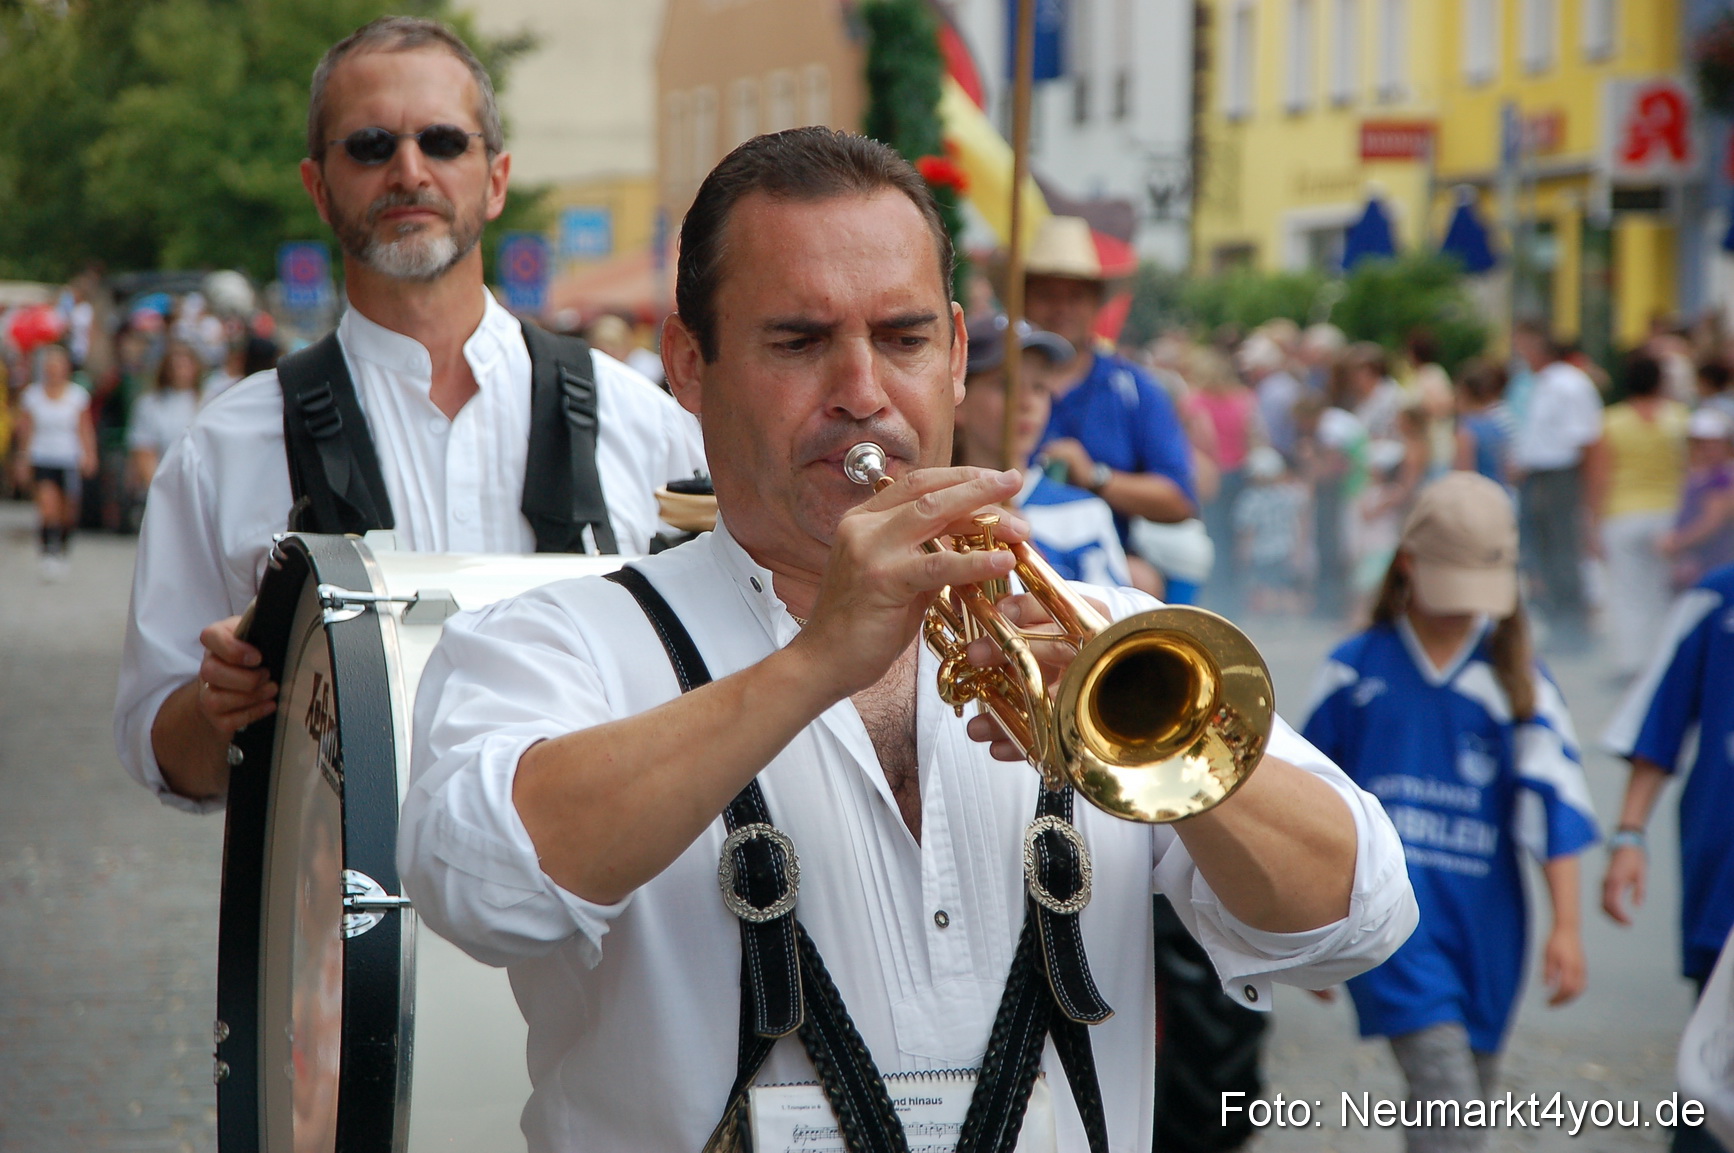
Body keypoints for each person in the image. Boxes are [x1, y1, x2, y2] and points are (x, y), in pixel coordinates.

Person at [399, 127, 1416, 1152]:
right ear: (689, 365)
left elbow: (1360, 915)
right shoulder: (556, 639)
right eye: (799, 341)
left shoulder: (1097, 632)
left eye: (904, 338)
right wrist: (814, 663)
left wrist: (1171, 756)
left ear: (959, 355)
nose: (863, 392)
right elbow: (480, 886)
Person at [113, 16, 705, 812]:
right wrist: (220, 704)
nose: (409, 170)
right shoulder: (222, 449)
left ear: (496, 179)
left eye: (444, 141)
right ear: (318, 188)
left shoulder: (649, 426)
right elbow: (162, 750)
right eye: (369, 146)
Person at [1302, 472, 1597, 1153]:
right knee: (1447, 1102)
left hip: (1489, 928)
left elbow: (1554, 809)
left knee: (1465, 1107)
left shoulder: (1520, 683)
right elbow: (1305, 807)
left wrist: (1568, 927)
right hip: (1388, 927)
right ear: (1408, 563)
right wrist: (1308, 935)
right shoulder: (1354, 669)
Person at [1602, 560, 1734, 1153]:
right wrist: (1629, 835)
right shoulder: (1716, 601)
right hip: (1724, 870)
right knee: (1714, 1063)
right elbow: (1658, 719)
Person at [1021, 215, 1197, 598]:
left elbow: (1179, 499)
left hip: (1104, 561)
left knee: (1140, 581)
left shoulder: (1134, 389)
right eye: (1047, 295)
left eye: (1075, 296)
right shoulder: (987, 383)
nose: (1061, 308)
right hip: (1006, 551)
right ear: (1023, 299)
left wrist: (1096, 477)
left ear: (1096, 304)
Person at [952, 314, 1131, 587]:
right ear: (958, 400)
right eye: (1006, 385)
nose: (1026, 403)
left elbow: (1116, 610)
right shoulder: (933, 509)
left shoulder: (1085, 512)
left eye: (1039, 388)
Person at [1589, 353, 1688, 680]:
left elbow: (1599, 477)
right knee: (1662, 591)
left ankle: (1633, 660)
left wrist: (1592, 523)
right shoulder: (1678, 419)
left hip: (1623, 513)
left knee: (1627, 591)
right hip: (1668, 511)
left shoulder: (1611, 421)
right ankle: (1665, 657)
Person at [1509, 321, 1605, 654]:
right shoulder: (1544, 383)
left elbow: (1587, 441)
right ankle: (1558, 622)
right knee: (1542, 552)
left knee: (1563, 551)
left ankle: (1573, 626)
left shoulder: (1569, 383)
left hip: (1561, 475)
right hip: (1540, 474)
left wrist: (1590, 494)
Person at [10, 343, 96, 579]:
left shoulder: (77, 396)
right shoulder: (33, 396)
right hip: (42, 455)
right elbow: (27, 430)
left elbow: (84, 428)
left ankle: (64, 547)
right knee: (48, 506)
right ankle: (48, 551)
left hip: (68, 457)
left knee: (67, 509)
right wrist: (22, 459)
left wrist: (89, 454)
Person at [1661, 407, 1734, 591]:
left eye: (1712, 444)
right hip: (1698, 564)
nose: (1706, 450)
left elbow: (1713, 520)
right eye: (1700, 444)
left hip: (1714, 564)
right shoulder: (1701, 474)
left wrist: (1677, 542)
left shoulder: (1722, 477)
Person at [1233, 444, 1308, 614]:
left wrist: (1241, 558)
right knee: (1284, 591)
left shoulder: (1250, 499)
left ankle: (1265, 625)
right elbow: (1299, 522)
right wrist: (1299, 552)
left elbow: (1247, 533)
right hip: (1285, 550)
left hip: (1260, 554)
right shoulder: (1288, 495)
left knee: (1261, 592)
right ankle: (1291, 625)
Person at [127, 340, 203, 496]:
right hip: (164, 487)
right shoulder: (150, 405)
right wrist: (159, 491)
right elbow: (144, 450)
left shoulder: (208, 401)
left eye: (185, 365)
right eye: (175, 366)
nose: (180, 371)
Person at [1452, 357, 1512, 488]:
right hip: (1501, 490)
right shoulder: (1498, 424)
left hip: (1478, 492)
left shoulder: (1466, 430)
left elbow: (1464, 474)